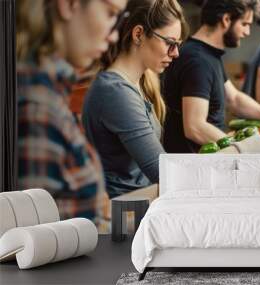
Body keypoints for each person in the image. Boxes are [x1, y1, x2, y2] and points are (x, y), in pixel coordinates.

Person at [17, 0, 127, 221]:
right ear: (68, 5)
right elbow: (33, 239)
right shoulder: (37, 108)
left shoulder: (49, 94)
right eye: (110, 14)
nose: (113, 36)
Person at [163, 0, 260, 154]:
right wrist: (242, 149)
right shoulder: (198, 61)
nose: (247, 32)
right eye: (245, 24)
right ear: (226, 20)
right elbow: (195, 127)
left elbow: (234, 98)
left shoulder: (208, 55)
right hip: (196, 167)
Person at [83, 0, 187, 198]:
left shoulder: (137, 83)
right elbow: (162, 172)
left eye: (178, 44)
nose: (175, 53)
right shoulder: (115, 92)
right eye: (169, 43)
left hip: (141, 201)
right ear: (138, 34)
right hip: (123, 215)